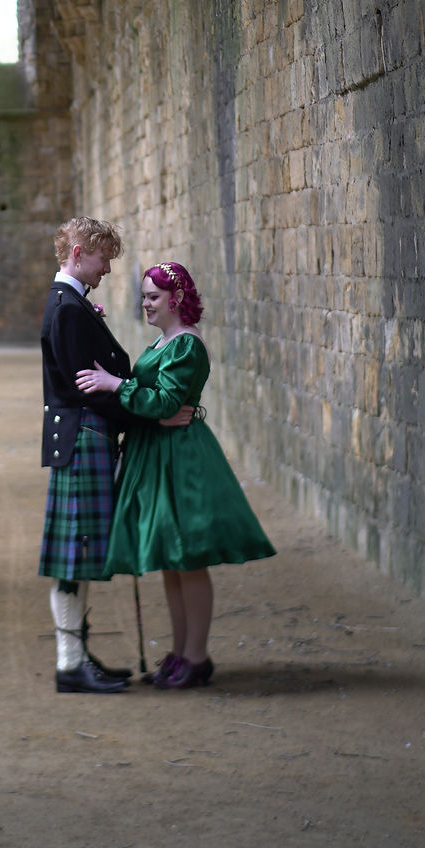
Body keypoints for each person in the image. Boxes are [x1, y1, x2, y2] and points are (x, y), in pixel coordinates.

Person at [76, 261, 275, 689]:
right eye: (144, 296)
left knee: (187, 558)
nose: (145, 304)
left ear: (177, 298)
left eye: (153, 297)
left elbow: (165, 402)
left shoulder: (186, 345)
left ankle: (197, 657)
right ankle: (181, 651)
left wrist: (116, 386)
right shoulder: (163, 342)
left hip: (182, 459)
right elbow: (157, 402)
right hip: (157, 452)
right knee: (171, 559)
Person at [38, 219, 192, 694]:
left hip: (88, 437)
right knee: (74, 558)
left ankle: (78, 657)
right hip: (83, 437)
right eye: (103, 258)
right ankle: (69, 663)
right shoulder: (67, 308)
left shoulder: (74, 304)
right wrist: (150, 417)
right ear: (79, 253)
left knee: (80, 555)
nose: (107, 268)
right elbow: (89, 388)